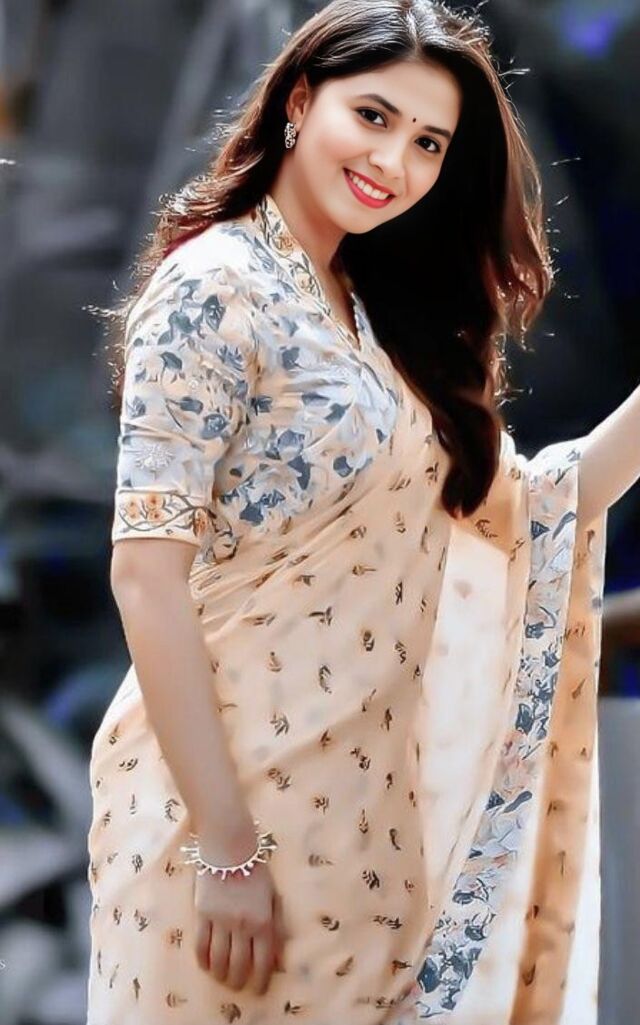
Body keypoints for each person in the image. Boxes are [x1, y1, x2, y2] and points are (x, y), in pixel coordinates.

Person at [85, 1, 639, 1022]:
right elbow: (145, 576)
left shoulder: (374, 321)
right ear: (300, 101)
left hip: (369, 834)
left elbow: (531, 511)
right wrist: (227, 847)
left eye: (428, 142)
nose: (395, 159)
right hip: (224, 833)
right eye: (373, 116)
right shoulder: (214, 287)